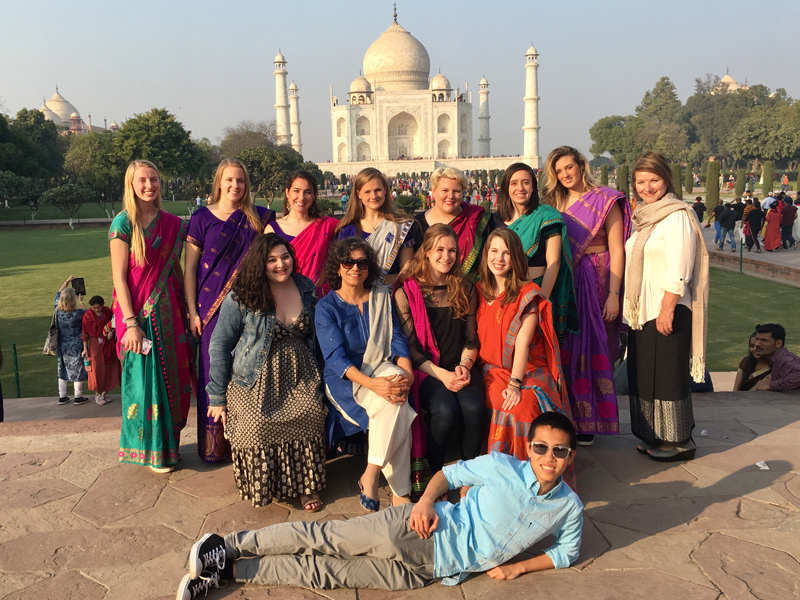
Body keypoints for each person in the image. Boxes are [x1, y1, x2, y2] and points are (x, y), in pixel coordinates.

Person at [176, 411, 583, 597]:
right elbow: (449, 475)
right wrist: (424, 501)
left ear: (570, 456)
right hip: (421, 529)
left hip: (430, 572)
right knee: (325, 537)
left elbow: (566, 551)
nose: (549, 457)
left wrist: (519, 567)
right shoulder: (500, 466)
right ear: (529, 448)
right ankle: (227, 544)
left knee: (324, 574)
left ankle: (228, 572)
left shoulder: (568, 507)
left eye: (559, 451)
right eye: (541, 447)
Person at [206, 234, 327, 511]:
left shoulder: (306, 287)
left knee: (310, 414)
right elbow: (220, 343)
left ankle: (306, 486)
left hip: (301, 374)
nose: (280, 264)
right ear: (259, 263)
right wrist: (217, 396)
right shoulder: (242, 295)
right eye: (271, 260)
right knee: (255, 426)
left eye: (285, 257)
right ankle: (266, 485)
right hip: (253, 378)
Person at [185, 158, 276, 464]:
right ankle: (214, 447)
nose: (235, 186)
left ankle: (247, 442)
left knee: (248, 371)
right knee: (215, 369)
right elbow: (190, 270)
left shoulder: (258, 218)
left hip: (249, 307)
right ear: (219, 182)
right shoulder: (201, 218)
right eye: (229, 180)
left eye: (240, 180)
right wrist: (192, 312)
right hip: (209, 310)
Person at [315, 237, 416, 509]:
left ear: (368, 267)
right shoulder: (327, 307)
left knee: (397, 394)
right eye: (348, 262)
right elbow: (336, 360)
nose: (355, 268)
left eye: (361, 262)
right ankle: (400, 491)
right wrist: (374, 385)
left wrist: (407, 371)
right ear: (338, 268)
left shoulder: (381, 297)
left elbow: (396, 338)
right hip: (347, 380)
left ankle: (370, 473)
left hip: (381, 364)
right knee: (395, 404)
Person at [110, 160, 195, 474]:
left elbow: (176, 268)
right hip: (138, 316)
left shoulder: (172, 223)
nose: (149, 185)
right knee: (145, 383)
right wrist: (131, 323)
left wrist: (188, 309)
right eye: (142, 180)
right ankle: (151, 450)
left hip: (169, 312)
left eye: (154, 179)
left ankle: (169, 445)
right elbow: (119, 278)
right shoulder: (122, 223)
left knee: (173, 379)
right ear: (131, 185)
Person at [624, 152, 709, 462]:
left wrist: (667, 308)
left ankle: (679, 441)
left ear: (667, 179)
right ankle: (655, 434)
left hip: (667, 308)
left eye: (654, 180)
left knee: (668, 376)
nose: (647, 187)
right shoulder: (646, 216)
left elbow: (680, 266)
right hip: (643, 311)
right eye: (641, 182)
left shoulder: (677, 215)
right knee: (647, 374)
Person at [542, 147, 630, 444]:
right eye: (559, 171)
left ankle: (592, 421)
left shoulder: (605, 199)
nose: (565, 174)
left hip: (598, 277)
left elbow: (618, 248)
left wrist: (614, 294)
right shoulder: (555, 204)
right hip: (567, 281)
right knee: (567, 346)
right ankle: (569, 417)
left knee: (595, 346)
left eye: (569, 167)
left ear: (582, 166)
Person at [476, 230, 573, 484]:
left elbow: (522, 343)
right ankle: (498, 481)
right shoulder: (478, 290)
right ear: (486, 254)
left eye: (507, 253)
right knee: (500, 402)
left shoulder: (527, 293)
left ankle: (533, 480)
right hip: (491, 369)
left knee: (523, 406)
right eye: (494, 251)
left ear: (516, 257)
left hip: (526, 368)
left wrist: (515, 384)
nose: (499, 258)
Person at [393, 224, 484, 475]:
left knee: (474, 408)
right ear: (427, 252)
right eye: (440, 249)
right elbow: (410, 347)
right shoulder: (408, 292)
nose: (446, 256)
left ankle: (469, 474)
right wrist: (442, 375)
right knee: (446, 410)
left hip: (461, 364)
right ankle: (434, 472)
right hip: (427, 369)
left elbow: (471, 339)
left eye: (452, 250)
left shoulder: (465, 288)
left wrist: (464, 366)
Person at [496, 161, 579, 341]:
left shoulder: (546, 216)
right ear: (506, 188)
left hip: (536, 290)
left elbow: (554, 262)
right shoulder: (495, 220)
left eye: (526, 182)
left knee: (535, 352)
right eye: (514, 183)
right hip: (502, 295)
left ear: (533, 187)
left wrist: (541, 301)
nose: (520, 188)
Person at [335, 168, 420, 287]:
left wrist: (383, 284)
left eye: (377, 190)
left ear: (385, 189)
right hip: (357, 297)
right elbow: (343, 272)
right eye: (367, 192)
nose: (373, 196)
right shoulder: (347, 230)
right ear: (358, 194)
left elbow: (406, 271)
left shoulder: (400, 226)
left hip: (391, 296)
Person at [416, 166, 494, 283]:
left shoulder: (479, 219)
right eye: (445, 190)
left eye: (456, 191)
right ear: (433, 191)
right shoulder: (417, 224)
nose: (451, 196)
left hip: (471, 294)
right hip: (427, 295)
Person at [265, 170, 338, 295]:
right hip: (284, 298)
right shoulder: (273, 229)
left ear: (314, 195)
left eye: (307, 192)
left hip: (319, 299)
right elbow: (266, 269)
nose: (302, 197)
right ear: (287, 193)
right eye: (296, 191)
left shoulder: (329, 226)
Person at [81, 295, 121, 405]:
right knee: (96, 368)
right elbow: (85, 333)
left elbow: (114, 323)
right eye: (94, 308)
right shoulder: (88, 316)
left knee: (109, 367)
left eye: (98, 308)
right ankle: (97, 394)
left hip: (108, 342)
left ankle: (106, 391)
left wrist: (111, 333)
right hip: (95, 344)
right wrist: (85, 349)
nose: (96, 310)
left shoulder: (107, 311)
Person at [54, 280, 88, 405]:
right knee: (77, 369)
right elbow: (89, 313)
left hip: (63, 344)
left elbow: (57, 295)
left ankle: (62, 396)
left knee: (62, 368)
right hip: (76, 344)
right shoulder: (78, 314)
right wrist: (81, 302)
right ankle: (77, 396)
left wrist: (66, 282)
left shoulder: (58, 312)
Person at [752, 324, 800, 392]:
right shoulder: (776, 359)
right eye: (757, 339)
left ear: (778, 343)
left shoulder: (783, 358)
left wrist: (770, 385)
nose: (757, 344)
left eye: (764, 340)